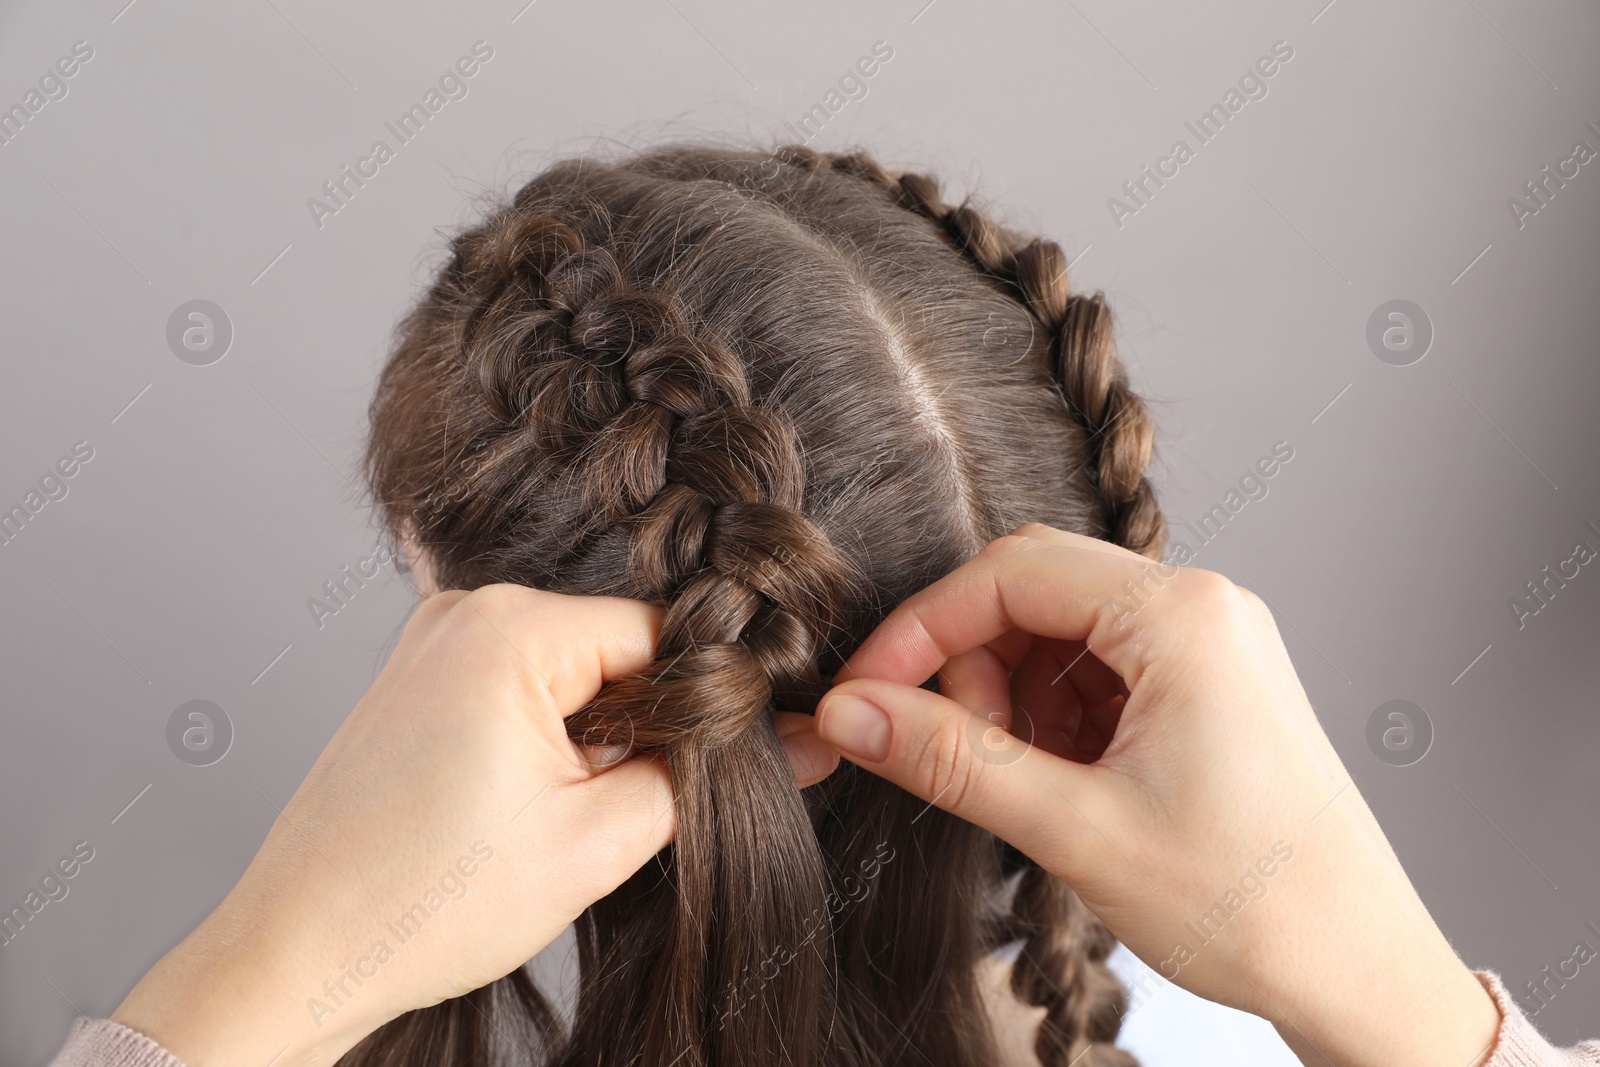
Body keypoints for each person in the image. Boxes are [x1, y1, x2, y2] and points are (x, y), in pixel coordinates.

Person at [42, 144, 1600, 1067]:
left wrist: (246, 982)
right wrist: (1420, 1019)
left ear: (450, 604)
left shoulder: (269, 1017)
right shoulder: (1277, 1035)